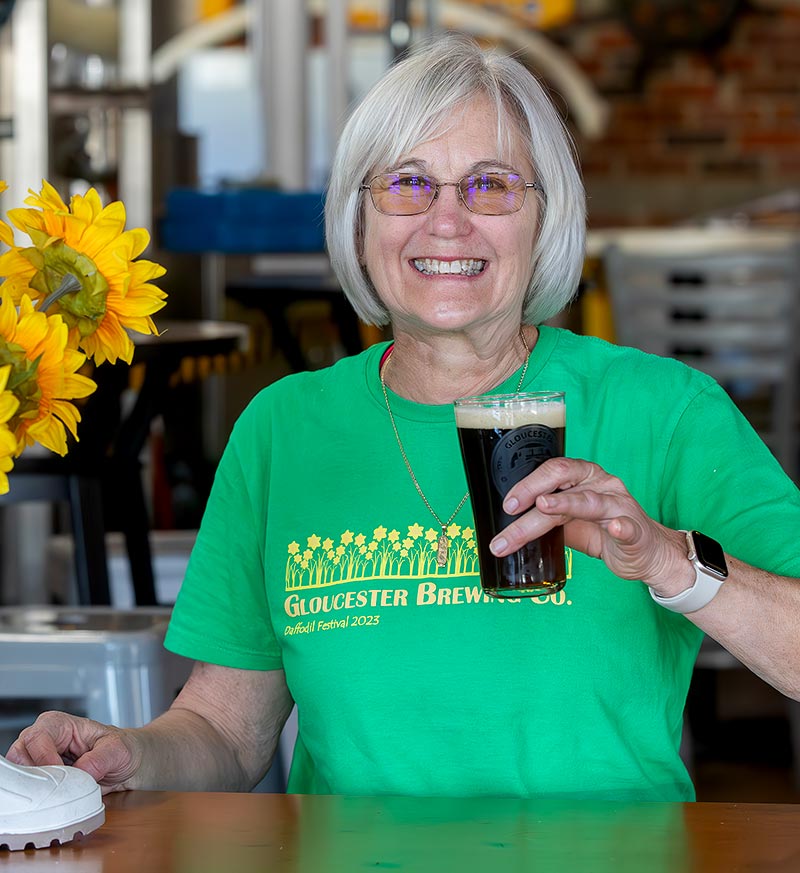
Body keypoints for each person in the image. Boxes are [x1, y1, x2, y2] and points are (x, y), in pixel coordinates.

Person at [7, 33, 800, 803]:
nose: (446, 220)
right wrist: (127, 752)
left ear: (543, 217)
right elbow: (226, 730)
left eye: (491, 184)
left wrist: (669, 562)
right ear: (361, 221)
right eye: (407, 183)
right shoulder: (283, 430)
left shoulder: (663, 411)